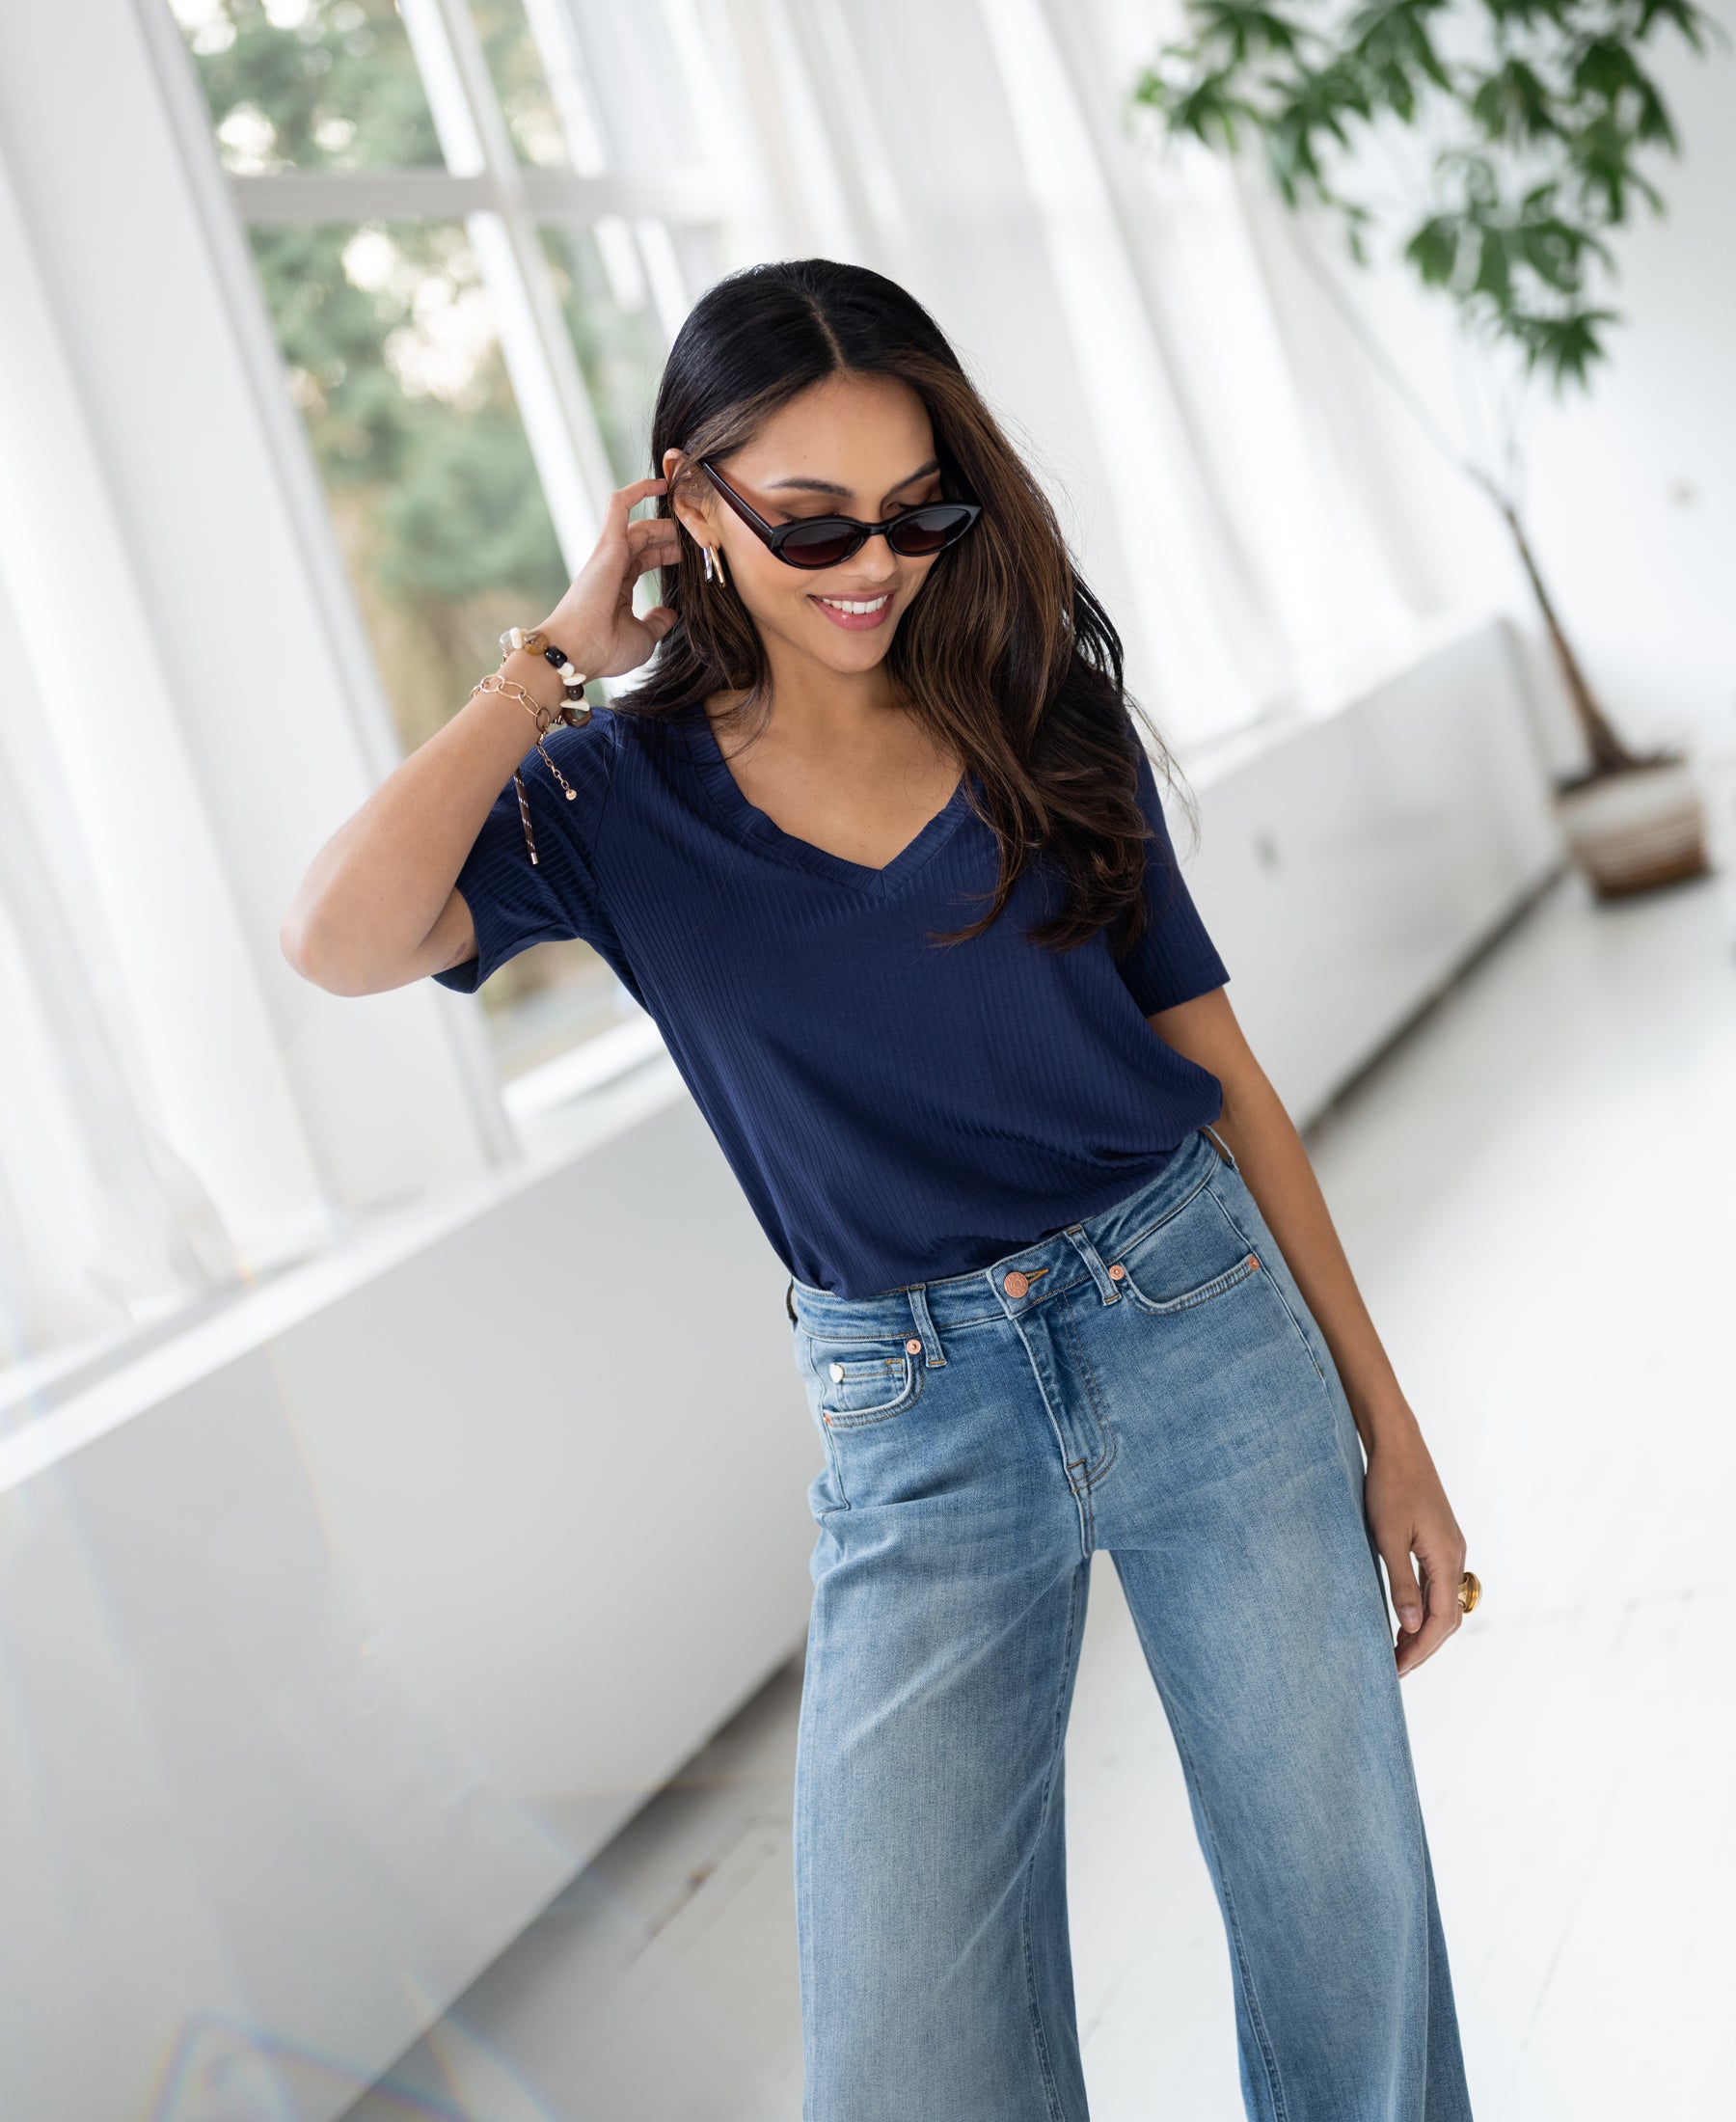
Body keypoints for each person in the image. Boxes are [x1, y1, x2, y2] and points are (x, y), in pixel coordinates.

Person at [283, 258, 1478, 2121]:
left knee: (1348, 1936)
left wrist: (1388, 1429)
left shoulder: (1036, 708)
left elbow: (1222, 1073)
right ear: (681, 504)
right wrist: (550, 664)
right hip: (910, 1418)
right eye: (811, 519)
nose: (876, 562)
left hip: (1193, 1319)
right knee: (907, 2052)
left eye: (917, 511)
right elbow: (340, 939)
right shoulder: (610, 802)